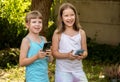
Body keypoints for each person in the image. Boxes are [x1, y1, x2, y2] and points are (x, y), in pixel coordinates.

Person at [52, 3, 88, 82]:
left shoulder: (81, 32)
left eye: (72, 15)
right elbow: (54, 53)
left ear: (75, 16)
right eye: (66, 16)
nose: (70, 18)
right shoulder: (57, 33)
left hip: (78, 70)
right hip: (62, 71)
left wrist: (83, 55)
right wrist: (67, 55)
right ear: (61, 17)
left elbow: (85, 51)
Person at [19, 10, 53, 82]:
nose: (37, 24)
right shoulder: (26, 41)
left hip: (44, 77)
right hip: (33, 78)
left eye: (40, 22)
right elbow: (21, 62)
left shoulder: (44, 39)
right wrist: (36, 57)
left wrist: (49, 55)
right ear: (27, 25)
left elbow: (50, 60)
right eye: (34, 22)